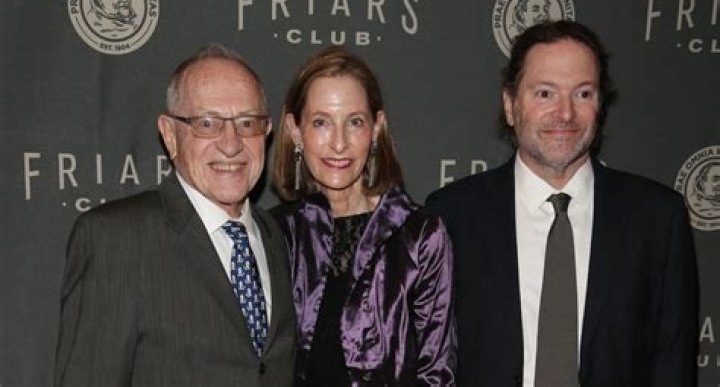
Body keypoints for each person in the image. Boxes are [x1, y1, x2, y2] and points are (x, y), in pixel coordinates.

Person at [426, 20, 698, 387]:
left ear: (599, 105)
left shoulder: (656, 219)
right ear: (510, 106)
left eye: (583, 94)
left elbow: (673, 365)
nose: (565, 113)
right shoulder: (451, 216)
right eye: (545, 93)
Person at [54, 44, 296, 387]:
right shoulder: (115, 240)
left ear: (267, 131)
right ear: (170, 134)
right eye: (207, 123)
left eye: (247, 123)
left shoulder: (276, 236)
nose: (231, 144)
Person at [271, 46, 456, 386]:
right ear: (296, 131)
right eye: (321, 122)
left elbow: (437, 374)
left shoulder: (420, 236)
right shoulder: (277, 234)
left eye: (354, 122)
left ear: (376, 129)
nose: (339, 143)